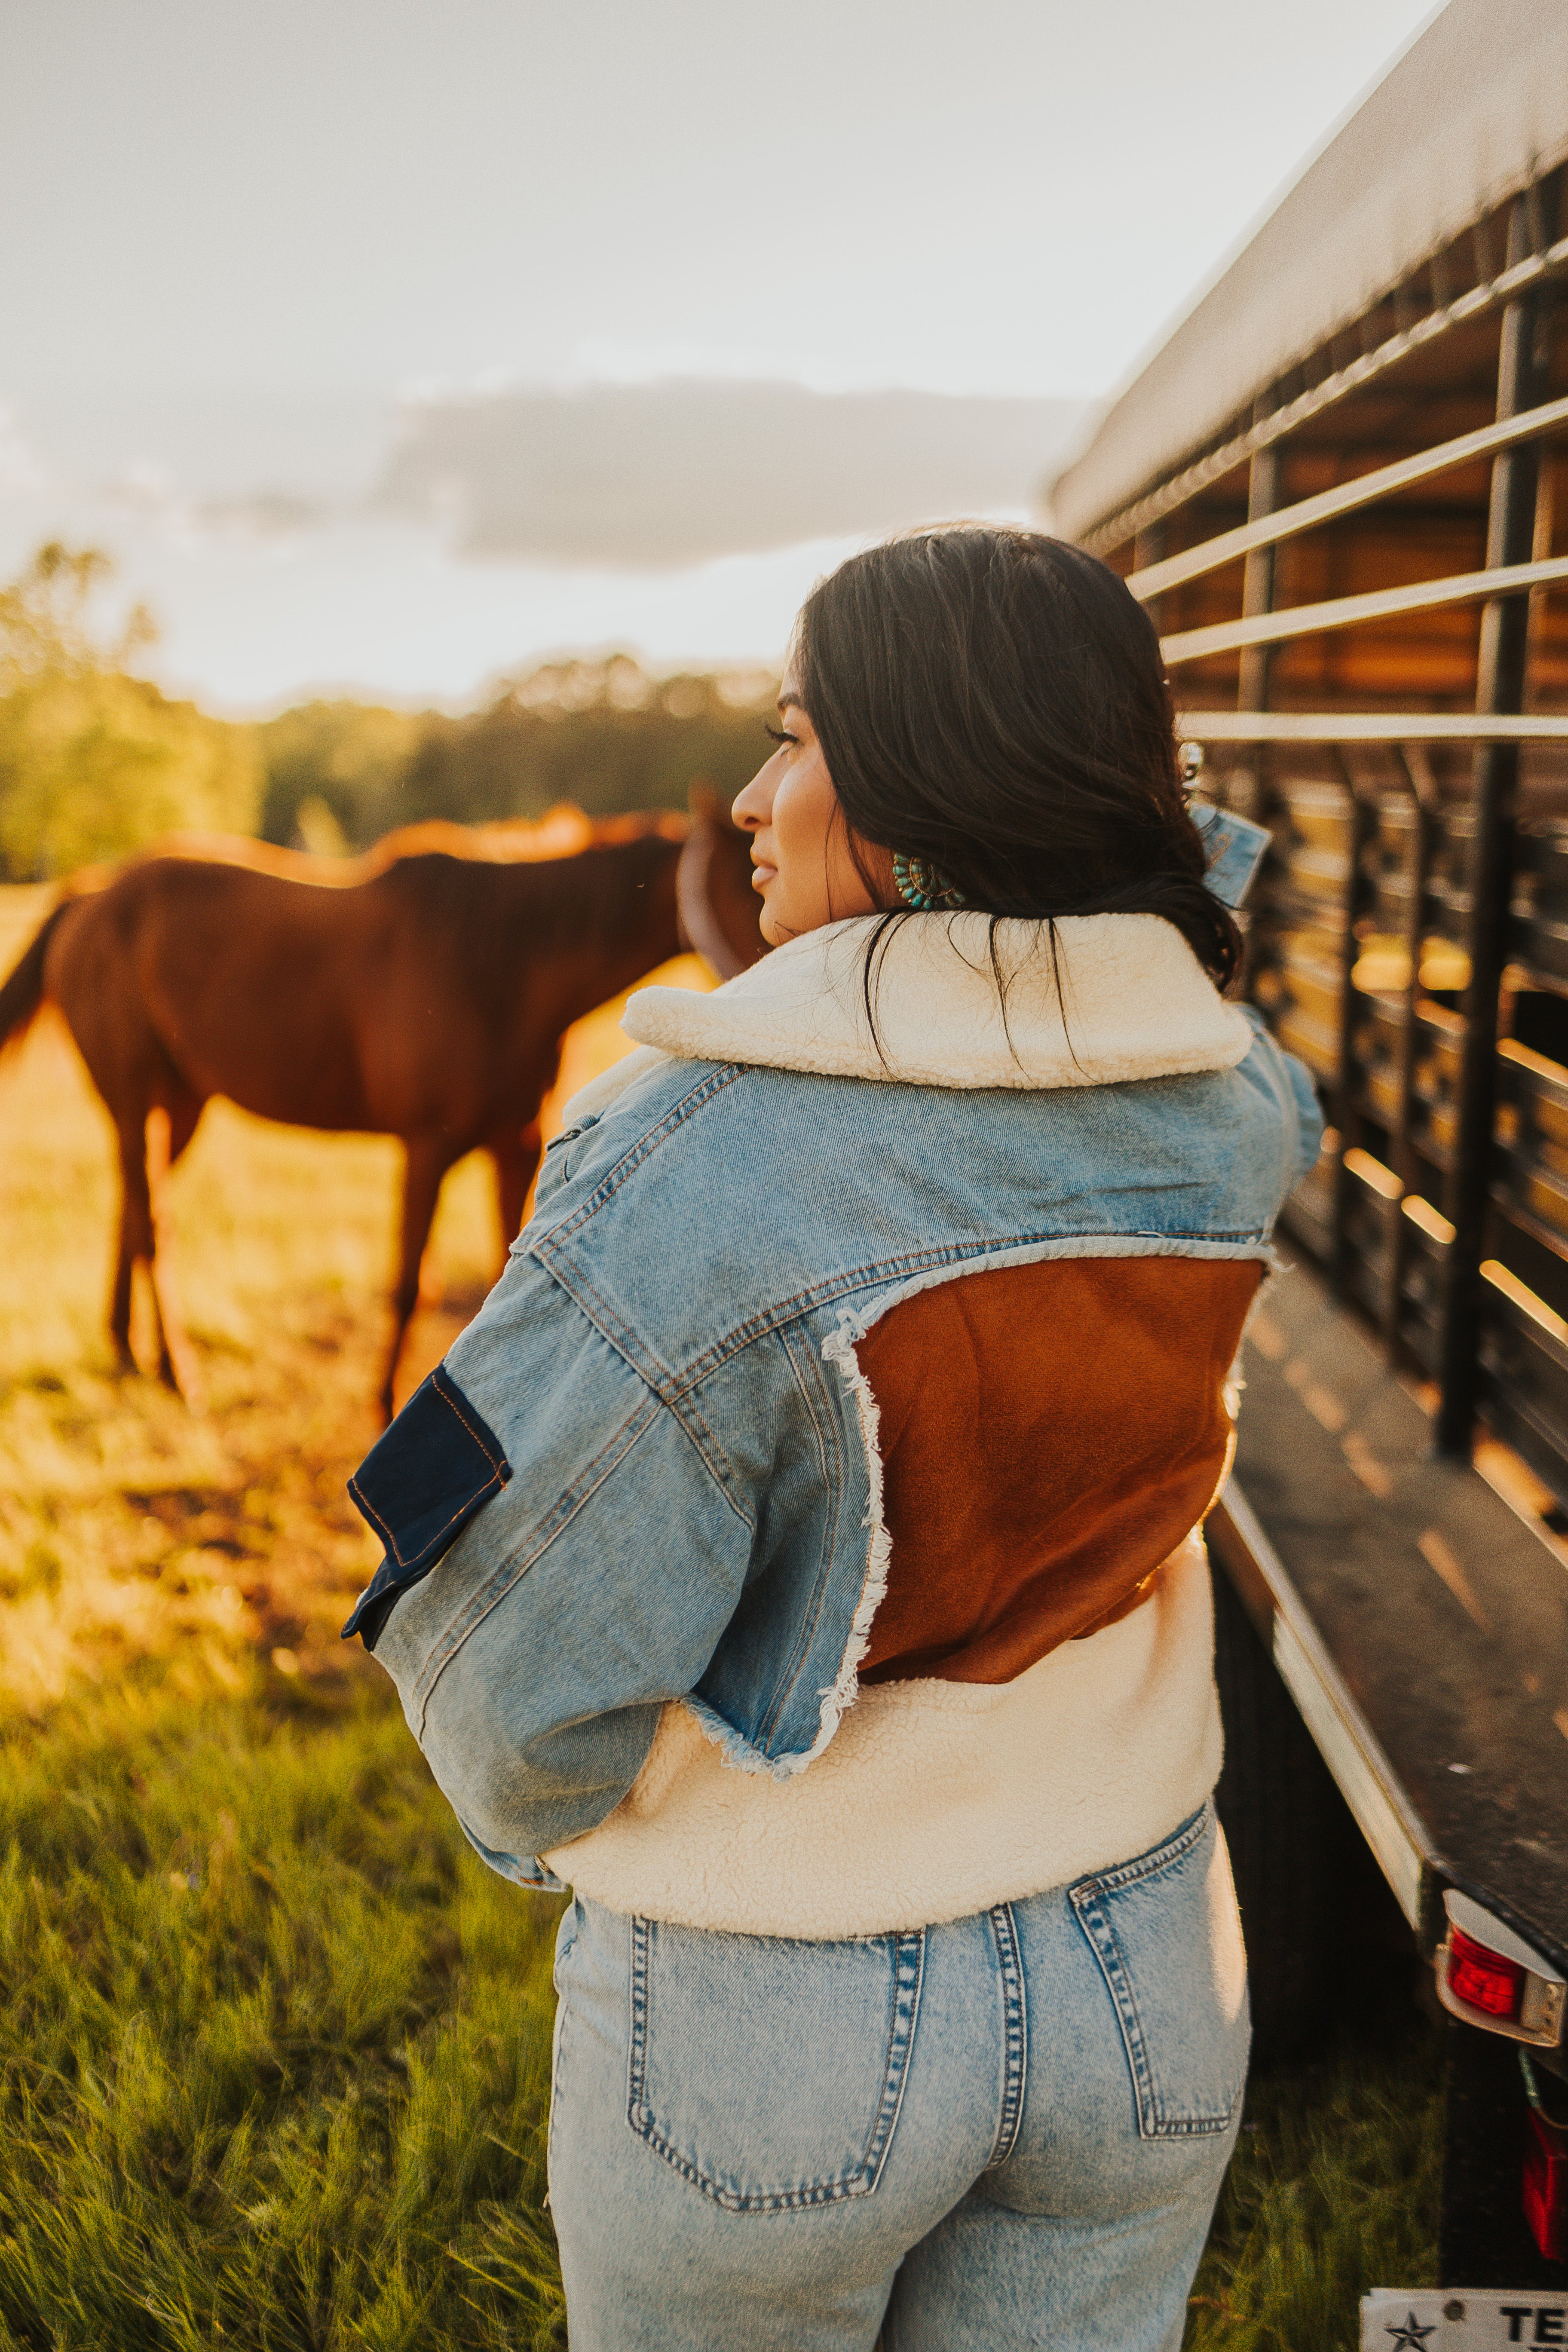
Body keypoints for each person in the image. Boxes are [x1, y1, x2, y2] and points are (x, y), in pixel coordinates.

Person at [342, 525, 1321, 2351]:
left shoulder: (691, 1152)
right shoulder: (1229, 1094)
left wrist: (594, 1832)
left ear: (925, 791)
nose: (747, 798)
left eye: (798, 741)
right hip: (1156, 1966)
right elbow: (1223, 1032)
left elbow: (506, 1698)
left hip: (776, 2010)